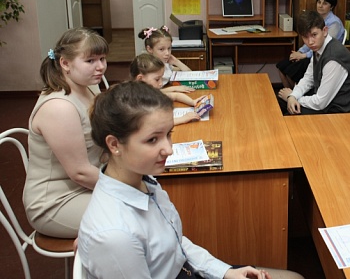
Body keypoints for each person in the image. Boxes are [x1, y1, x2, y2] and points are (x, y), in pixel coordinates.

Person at [78, 81, 303, 279]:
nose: (168, 149)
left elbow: (175, 244)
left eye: (168, 134)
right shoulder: (114, 235)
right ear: (114, 145)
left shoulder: (142, 180)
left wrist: (224, 272)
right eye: (152, 140)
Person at [23, 27, 109, 238]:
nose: (100, 67)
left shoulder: (89, 87)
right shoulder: (59, 107)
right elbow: (80, 172)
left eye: (102, 59)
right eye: (90, 61)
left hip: (87, 185)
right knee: (137, 212)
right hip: (57, 202)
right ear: (65, 63)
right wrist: (129, 186)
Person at [277, 10, 350, 115]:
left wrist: (294, 98)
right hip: (326, 102)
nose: (310, 42)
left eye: (314, 35)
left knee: (289, 115)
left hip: (337, 111)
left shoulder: (333, 58)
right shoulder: (319, 47)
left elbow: (321, 103)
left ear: (325, 31)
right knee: (279, 103)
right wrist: (293, 96)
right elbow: (308, 78)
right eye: (305, 37)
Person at [276, 0, 345, 89]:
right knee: (281, 67)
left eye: (325, 3)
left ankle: (294, 95)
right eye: (319, 2)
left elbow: (324, 46)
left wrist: (303, 56)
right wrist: (299, 52)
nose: (320, 6)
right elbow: (309, 40)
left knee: (291, 72)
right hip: (312, 54)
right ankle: (290, 95)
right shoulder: (316, 20)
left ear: (331, 7)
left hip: (323, 57)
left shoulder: (335, 23)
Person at [129, 53, 205, 125]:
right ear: (140, 79)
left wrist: (192, 102)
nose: (161, 83)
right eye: (157, 79)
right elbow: (156, 124)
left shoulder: (150, 92)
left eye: (162, 78)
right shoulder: (136, 100)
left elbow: (175, 96)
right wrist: (183, 119)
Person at [138, 25, 192, 92]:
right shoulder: (147, 67)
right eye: (161, 49)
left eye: (169, 48)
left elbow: (189, 74)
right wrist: (174, 89)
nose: (167, 53)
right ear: (149, 49)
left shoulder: (165, 63)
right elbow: (150, 93)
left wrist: (176, 62)